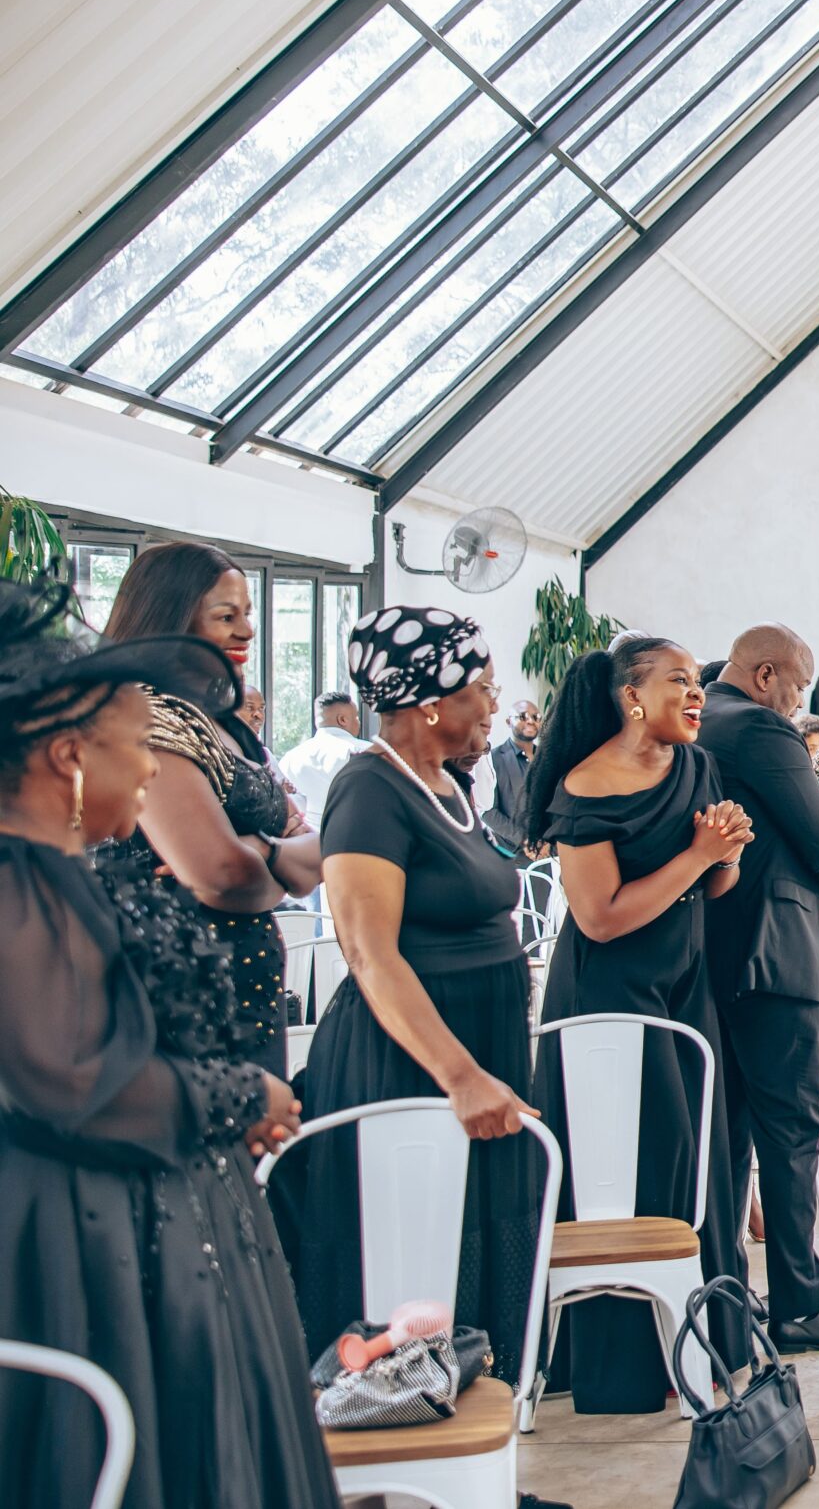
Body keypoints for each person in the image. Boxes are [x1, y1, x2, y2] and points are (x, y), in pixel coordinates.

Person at [0, 577, 338, 1509]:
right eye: (134, 747)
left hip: (163, 1206)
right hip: (98, 1232)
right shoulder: (25, 881)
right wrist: (237, 1095)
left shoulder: (59, 873)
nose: (151, 771)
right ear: (69, 757)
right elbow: (73, 1077)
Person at [275, 608, 546, 1386]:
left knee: (465, 1249)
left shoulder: (449, 785)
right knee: (410, 1264)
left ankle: (471, 1436)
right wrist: (460, 1075)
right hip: (408, 1062)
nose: (494, 705)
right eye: (481, 687)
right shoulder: (369, 788)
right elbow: (367, 951)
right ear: (430, 703)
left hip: (475, 1044)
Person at [527, 636, 753, 1412]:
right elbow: (599, 917)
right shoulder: (586, 785)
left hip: (683, 985)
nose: (696, 694)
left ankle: (702, 1343)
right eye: (678, 681)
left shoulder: (697, 766)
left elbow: (716, 886)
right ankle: (622, 1364)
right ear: (631, 697)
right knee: (625, 1163)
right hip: (608, 994)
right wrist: (699, 855)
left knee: (692, 1154)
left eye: (697, 682)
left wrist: (727, 852)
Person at [697, 625, 819, 1353]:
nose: (799, 700)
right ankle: (802, 1305)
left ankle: (726, 1302)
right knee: (792, 1134)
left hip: (718, 954)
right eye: (798, 686)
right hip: (779, 953)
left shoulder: (698, 722)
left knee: (729, 1137)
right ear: (765, 674)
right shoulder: (758, 728)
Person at [99, 541, 320, 1076]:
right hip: (178, 992)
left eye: (248, 614)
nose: (247, 631)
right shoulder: (147, 718)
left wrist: (258, 850)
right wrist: (268, 860)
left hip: (247, 982)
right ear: (171, 619)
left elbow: (314, 859)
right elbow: (222, 875)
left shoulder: (226, 723)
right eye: (226, 616)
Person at [275, 690, 365, 822]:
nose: (359, 722)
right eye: (356, 717)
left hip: (304, 832)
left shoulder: (289, 758)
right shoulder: (363, 751)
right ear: (342, 720)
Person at [486, 698, 541, 854]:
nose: (530, 721)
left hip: (551, 850)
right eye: (522, 716)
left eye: (536, 717)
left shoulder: (548, 758)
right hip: (514, 852)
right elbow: (488, 811)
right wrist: (525, 840)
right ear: (508, 722)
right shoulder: (493, 759)